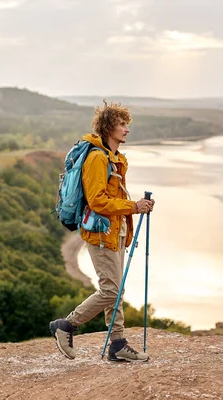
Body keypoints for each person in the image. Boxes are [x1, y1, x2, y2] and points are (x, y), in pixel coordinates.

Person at [50, 100, 154, 362]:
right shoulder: (97, 158)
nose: (126, 129)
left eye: (126, 124)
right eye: (121, 124)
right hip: (100, 233)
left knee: (116, 289)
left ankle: (117, 343)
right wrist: (134, 206)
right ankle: (67, 325)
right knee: (111, 291)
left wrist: (134, 208)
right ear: (109, 127)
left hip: (115, 232)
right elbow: (97, 200)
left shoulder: (114, 158)